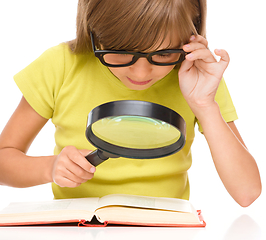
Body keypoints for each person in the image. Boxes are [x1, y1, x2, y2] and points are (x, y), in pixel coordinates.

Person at [0, 0, 261, 207]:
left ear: (190, 40)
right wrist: (50, 167)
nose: (140, 74)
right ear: (93, 31)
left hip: (165, 229)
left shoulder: (199, 77)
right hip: (78, 229)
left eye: (164, 54)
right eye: (122, 52)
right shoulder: (61, 65)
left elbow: (247, 192)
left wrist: (204, 104)